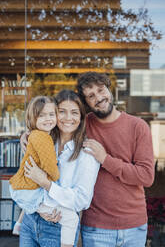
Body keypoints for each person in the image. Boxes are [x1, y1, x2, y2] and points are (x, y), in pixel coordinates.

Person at [76, 71, 155, 247]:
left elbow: (146, 176)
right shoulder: (82, 126)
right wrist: (28, 135)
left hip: (134, 226)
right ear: (86, 103)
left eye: (101, 90)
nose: (99, 97)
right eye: (91, 95)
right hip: (96, 227)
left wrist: (105, 159)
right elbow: (54, 126)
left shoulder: (138, 126)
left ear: (109, 90)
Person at [20, 89, 100, 247]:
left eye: (74, 112)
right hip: (30, 221)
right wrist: (38, 208)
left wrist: (47, 185)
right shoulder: (42, 140)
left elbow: (82, 200)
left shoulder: (87, 152)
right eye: (61, 112)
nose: (68, 118)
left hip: (59, 227)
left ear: (81, 117)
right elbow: (25, 181)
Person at [9, 95, 80, 247]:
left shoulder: (38, 135)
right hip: (29, 190)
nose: (48, 119)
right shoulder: (43, 138)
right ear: (33, 118)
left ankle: (19, 224)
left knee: (41, 203)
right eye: (41, 115)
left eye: (51, 114)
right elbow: (51, 167)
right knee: (71, 218)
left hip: (23, 188)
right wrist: (53, 176)